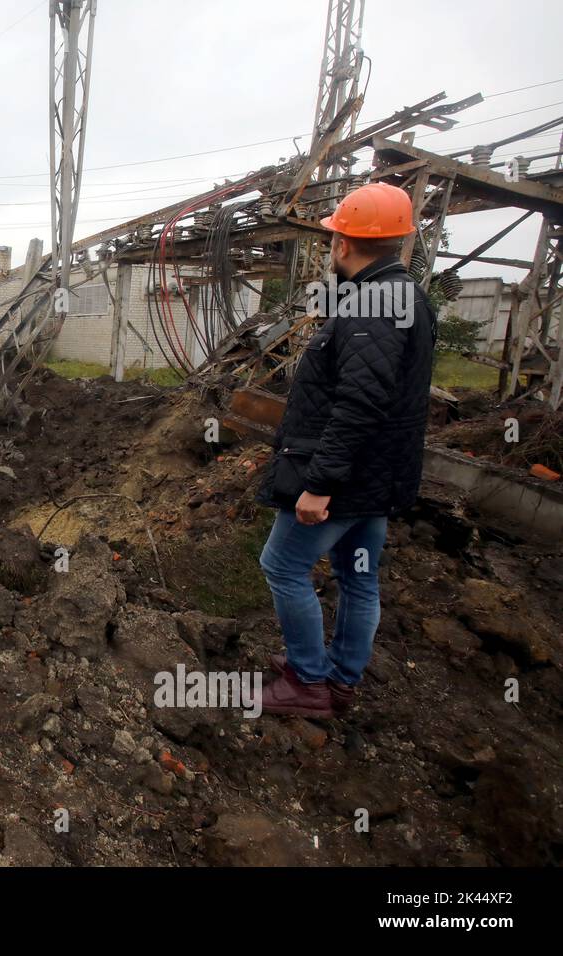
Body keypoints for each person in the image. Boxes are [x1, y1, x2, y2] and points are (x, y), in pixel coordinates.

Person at [255, 182, 436, 718]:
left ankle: (307, 681)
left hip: (346, 478)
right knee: (358, 576)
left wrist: (320, 484)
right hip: (378, 476)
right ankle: (339, 678)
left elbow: (358, 404)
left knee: (283, 566)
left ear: (342, 244)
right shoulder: (410, 299)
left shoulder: (372, 306)